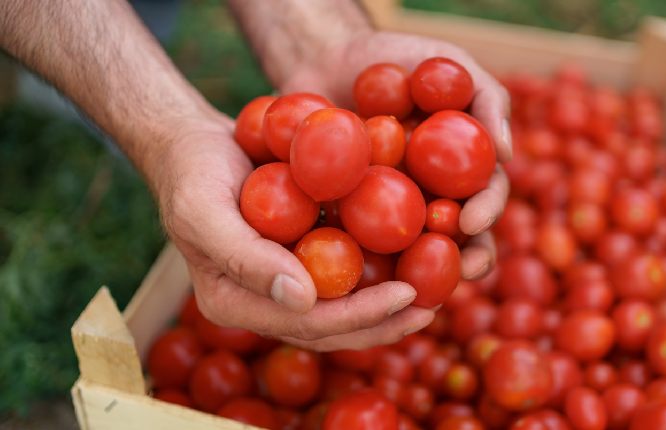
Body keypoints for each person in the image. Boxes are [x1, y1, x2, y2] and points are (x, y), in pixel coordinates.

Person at [0, 0, 511, 351]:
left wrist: (317, 34)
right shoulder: (325, 164)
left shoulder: (364, 165)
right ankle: (45, 79)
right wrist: (161, 128)